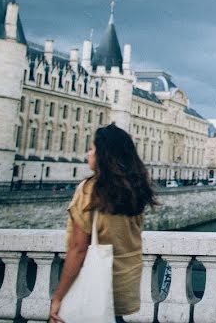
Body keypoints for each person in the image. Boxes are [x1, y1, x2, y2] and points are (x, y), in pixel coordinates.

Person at [49, 124, 157, 323]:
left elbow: (78, 248)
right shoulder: (136, 189)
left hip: (95, 282)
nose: (88, 153)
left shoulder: (91, 190)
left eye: (92, 149)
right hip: (123, 283)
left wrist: (58, 296)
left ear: (104, 155)